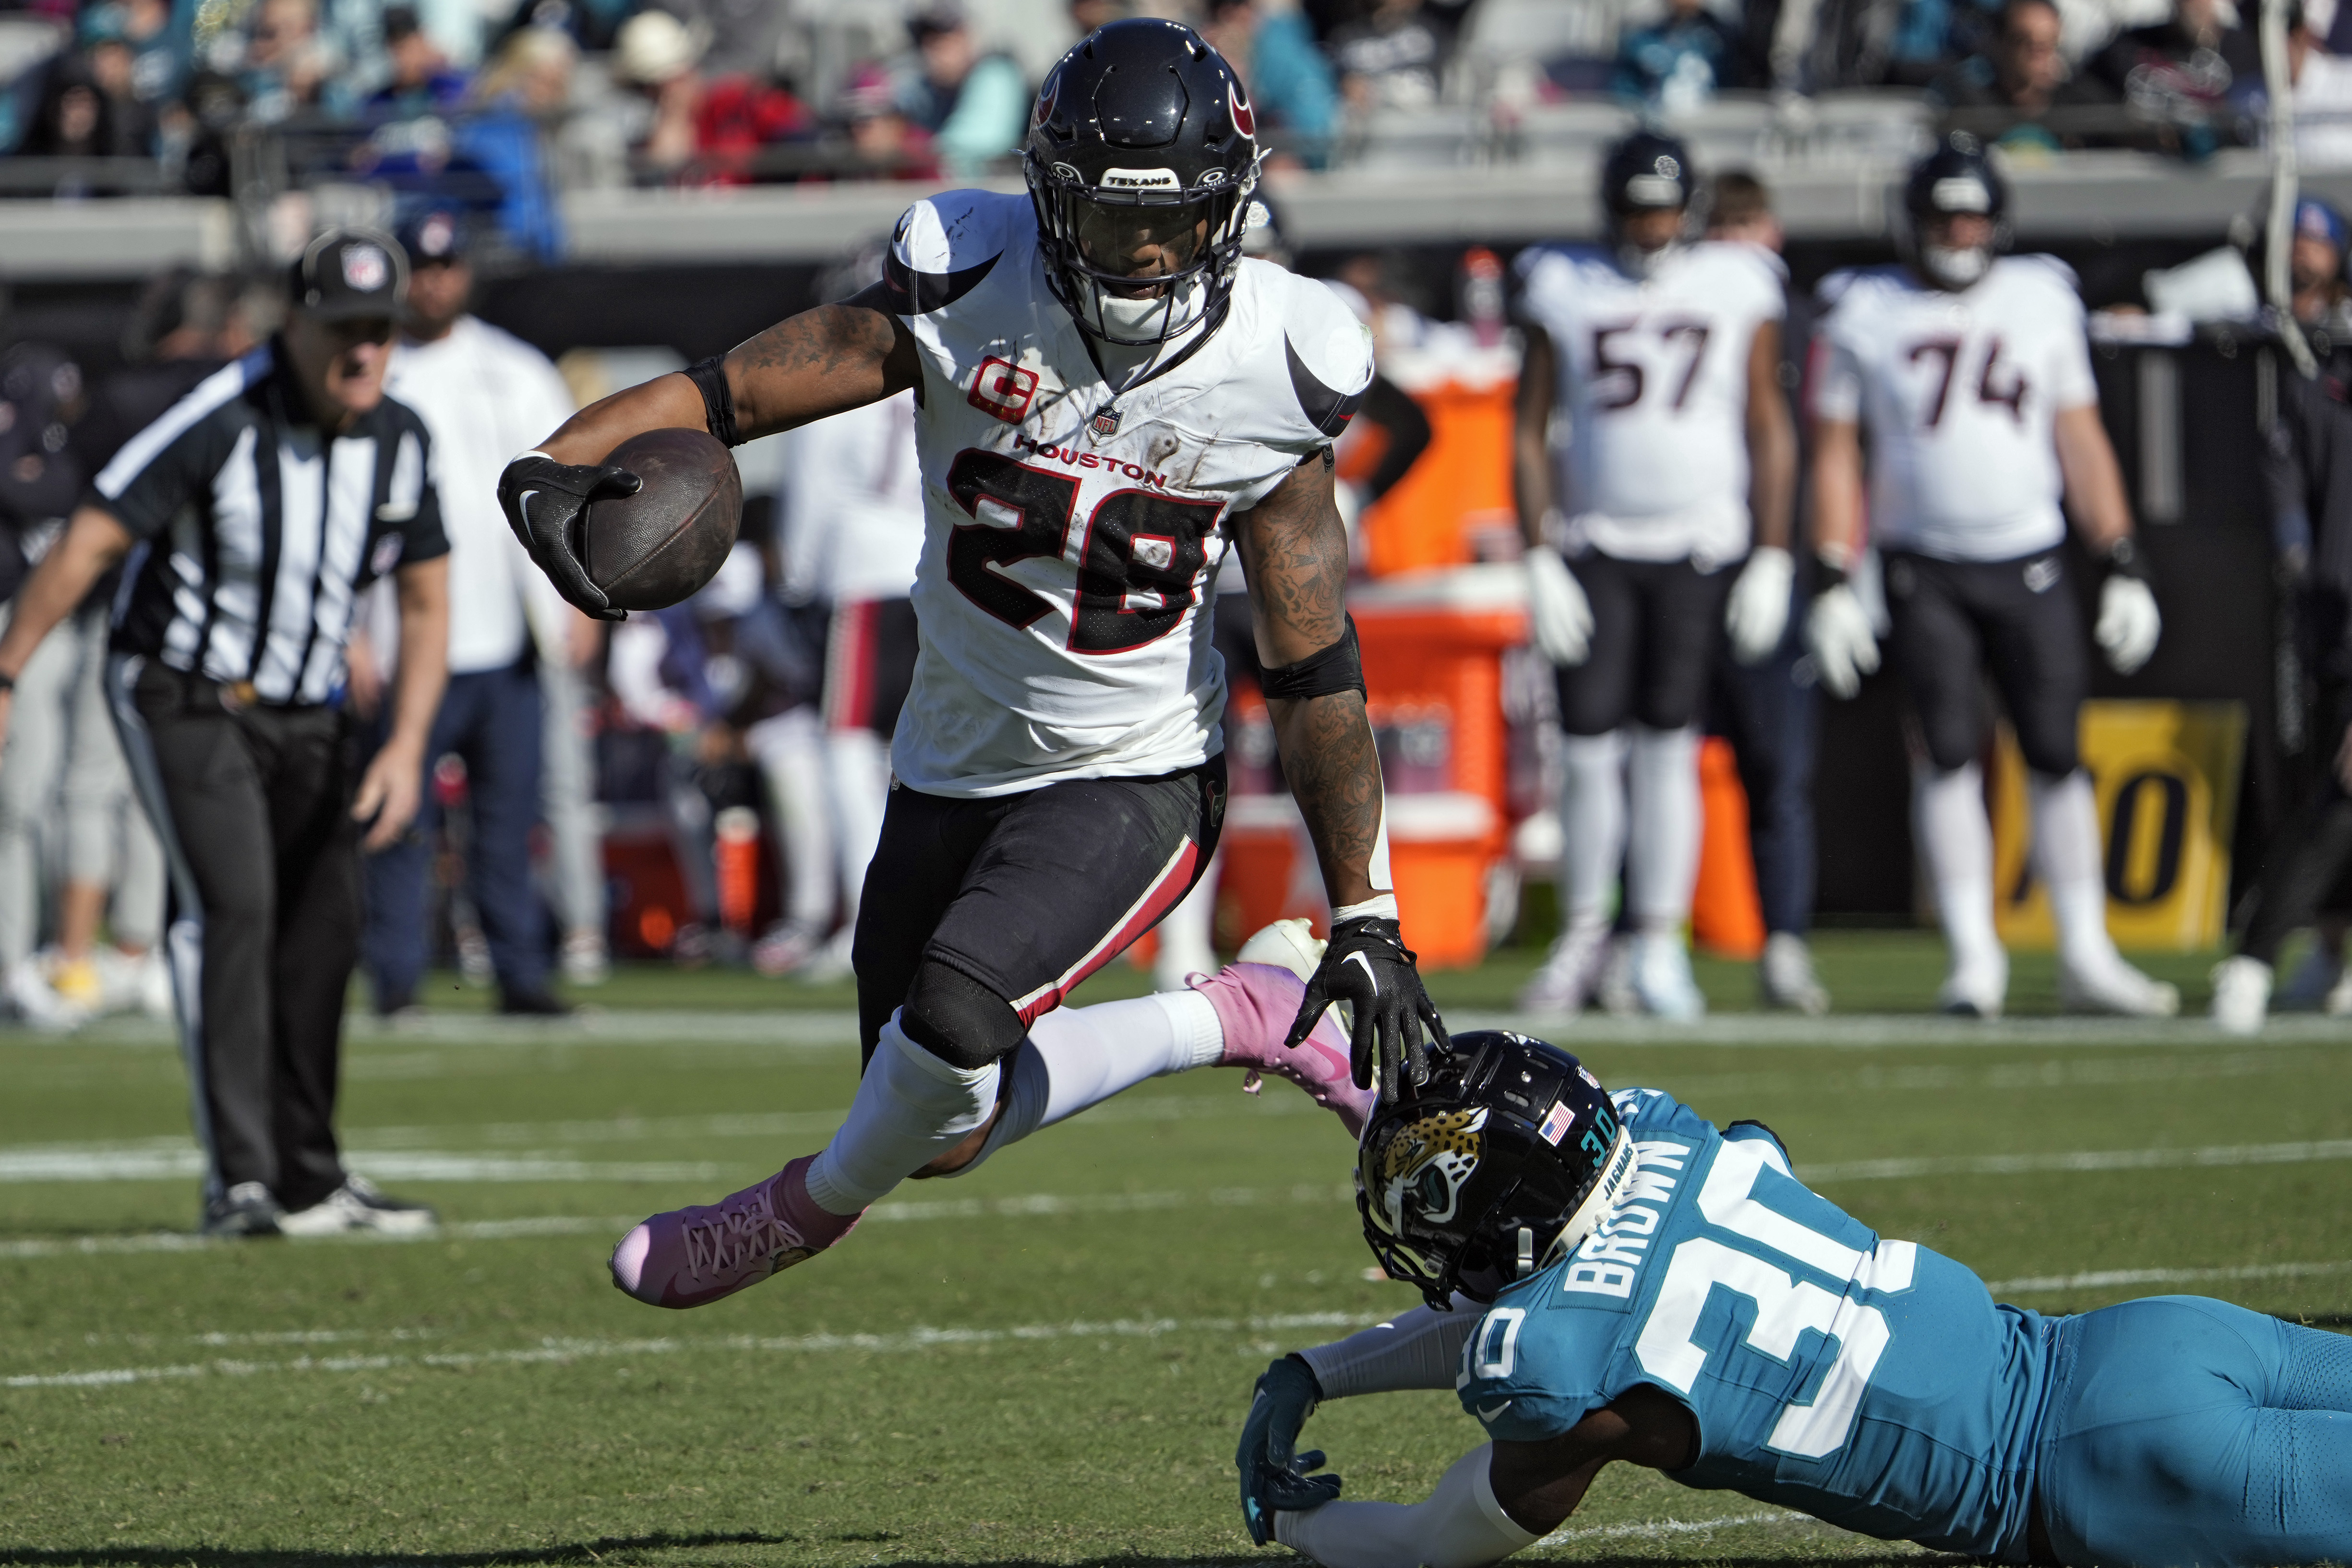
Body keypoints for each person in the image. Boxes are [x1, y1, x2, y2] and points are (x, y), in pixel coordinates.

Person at [500, 18, 1449, 1308]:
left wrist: (1369, 907)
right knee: (939, 1123)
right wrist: (563, 462)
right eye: (1113, 223)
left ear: (1231, 207)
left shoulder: (1277, 365)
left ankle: (790, 1213)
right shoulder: (964, 282)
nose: (1144, 253)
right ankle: (1247, 1011)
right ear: (1050, 199)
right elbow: (727, 397)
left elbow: (1311, 662)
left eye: (1170, 223)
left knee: (950, 1020)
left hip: (1136, 773)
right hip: (948, 758)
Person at [1236, 1029, 2352, 1568]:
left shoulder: (1552, 1373)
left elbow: (1436, 1541)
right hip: (2145, 1340)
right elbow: (1609, 1272)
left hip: (2099, 1479)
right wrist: (1316, 1371)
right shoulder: (1671, 1135)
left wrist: (1294, 1513)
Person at [0, 229, 450, 1238]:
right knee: (235, 907)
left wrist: (406, 743)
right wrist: (7, 669)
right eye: (344, 329)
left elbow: (425, 598)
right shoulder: (218, 419)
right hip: (184, 692)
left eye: (381, 331)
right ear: (292, 326)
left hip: (312, 709)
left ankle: (310, 1174)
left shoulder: (400, 438)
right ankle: (240, 1179)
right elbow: (91, 537)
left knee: (325, 926)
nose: (364, 352)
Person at [1804, 134, 2172, 1017]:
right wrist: (1829, 569)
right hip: (1922, 564)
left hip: (2032, 554)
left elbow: (2079, 436)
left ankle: (2085, 949)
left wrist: (2119, 555)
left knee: (2056, 753)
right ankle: (1975, 958)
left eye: (1971, 215)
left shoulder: (2041, 296)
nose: (1957, 232)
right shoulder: (1862, 307)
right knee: (1947, 755)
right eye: (1942, 216)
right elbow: (1834, 454)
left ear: (1997, 221)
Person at [1511, 132, 1799, 1021]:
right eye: (1636, 208)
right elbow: (1528, 426)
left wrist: (1776, 551)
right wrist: (1539, 552)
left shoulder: (1735, 282)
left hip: (1700, 545)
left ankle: (1659, 941)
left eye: (1664, 208)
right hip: (1597, 545)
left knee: (1669, 744)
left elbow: (1768, 422)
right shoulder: (1563, 281)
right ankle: (1586, 937)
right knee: (1591, 749)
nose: (1652, 226)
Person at [364, 206, 579, 1018]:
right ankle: (394, 974)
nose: (433, 282)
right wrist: (353, 631)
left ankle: (520, 970)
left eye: (446, 266)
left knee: (508, 818)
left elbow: (569, 487)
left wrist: (574, 609)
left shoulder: (515, 369)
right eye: (419, 268)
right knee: (397, 812)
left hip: (507, 635)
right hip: (406, 641)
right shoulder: (375, 370)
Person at [2213, 209, 2352, 1032]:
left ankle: (2259, 956)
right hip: (2333, 629)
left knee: (2337, 804)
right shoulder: (2312, 390)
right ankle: (2301, 952)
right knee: (2332, 794)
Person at [1702, 170, 1829, 1015]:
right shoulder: (1687, 317)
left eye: (1754, 224)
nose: (1745, 242)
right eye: (1727, 225)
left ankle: (1784, 940)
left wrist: (1813, 560)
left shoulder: (1802, 324)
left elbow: (1831, 441)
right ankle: (1639, 941)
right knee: (1653, 756)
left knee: (1778, 764)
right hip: (1687, 555)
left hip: (1771, 557)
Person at [1927, 0, 2121, 150]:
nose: (2038, 53)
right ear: (2001, 43)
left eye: (2047, 44)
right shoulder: (1970, 106)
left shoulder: (2085, 105)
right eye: (2024, 41)